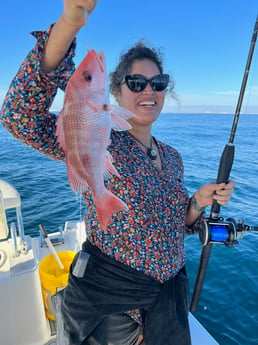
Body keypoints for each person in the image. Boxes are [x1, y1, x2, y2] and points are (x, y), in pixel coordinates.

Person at [0, 1, 236, 344]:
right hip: (111, 313)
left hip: (168, 306)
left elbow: (177, 225)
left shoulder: (172, 158)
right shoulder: (99, 135)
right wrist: (68, 25)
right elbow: (18, 116)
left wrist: (197, 203)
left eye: (158, 83)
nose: (148, 91)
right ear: (115, 91)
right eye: (136, 82)